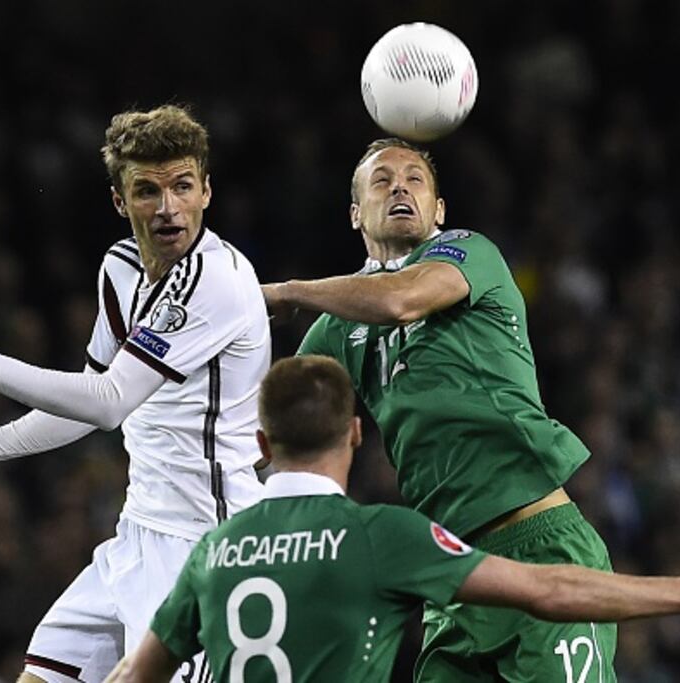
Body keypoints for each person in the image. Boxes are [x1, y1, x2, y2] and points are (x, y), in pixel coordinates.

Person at [104, 355, 680, 683]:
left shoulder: (215, 553)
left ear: (261, 445)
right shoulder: (381, 537)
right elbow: (549, 592)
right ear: (356, 433)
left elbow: (137, 677)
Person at [0, 104, 270, 683]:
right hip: (136, 535)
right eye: (147, 191)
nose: (168, 208)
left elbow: (108, 403)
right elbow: (84, 404)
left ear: (206, 191)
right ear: (120, 201)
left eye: (182, 187)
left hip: (202, 547)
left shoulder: (214, 281)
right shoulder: (120, 268)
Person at [259, 137, 614, 680]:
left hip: (541, 548)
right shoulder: (334, 330)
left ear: (439, 210)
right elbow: (277, 430)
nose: (400, 185)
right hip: (453, 578)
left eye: (414, 179)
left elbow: (400, 299)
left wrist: (287, 293)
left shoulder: (469, 253)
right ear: (356, 214)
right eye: (382, 180)